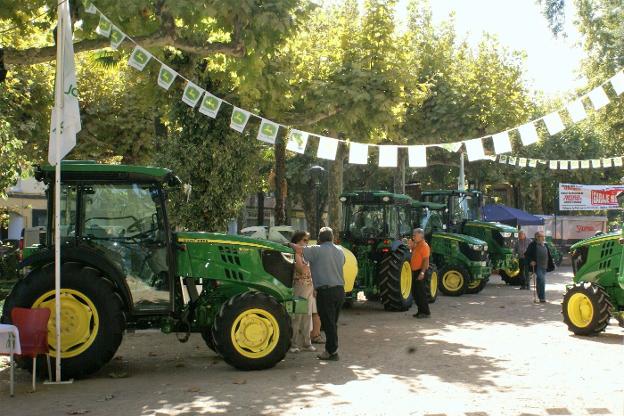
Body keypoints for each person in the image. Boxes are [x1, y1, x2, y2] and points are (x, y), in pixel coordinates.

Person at [290, 226, 345, 361]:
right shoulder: (340, 250)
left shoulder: (316, 250)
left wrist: (287, 243)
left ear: (319, 239)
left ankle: (331, 352)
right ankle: (332, 349)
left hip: (326, 292)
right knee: (333, 322)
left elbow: (298, 249)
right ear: (331, 238)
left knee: (328, 323)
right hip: (340, 290)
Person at [289, 231, 317, 353]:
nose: (307, 243)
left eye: (307, 240)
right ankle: (294, 344)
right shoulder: (296, 254)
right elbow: (300, 269)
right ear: (298, 241)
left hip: (309, 288)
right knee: (297, 317)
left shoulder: (305, 255)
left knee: (308, 316)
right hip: (300, 288)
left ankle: (307, 342)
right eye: (304, 240)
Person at [525, 231, 555, 303]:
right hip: (537, 266)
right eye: (541, 236)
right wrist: (531, 261)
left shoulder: (545, 245)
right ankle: (542, 297)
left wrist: (551, 263)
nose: (542, 237)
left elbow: (548, 255)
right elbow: (526, 254)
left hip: (544, 266)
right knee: (542, 280)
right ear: (536, 237)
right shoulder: (532, 245)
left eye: (543, 236)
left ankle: (540, 296)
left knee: (540, 281)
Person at [408, 228, 431, 318]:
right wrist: (411, 246)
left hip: (420, 271)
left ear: (421, 236)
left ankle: (425, 312)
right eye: (413, 235)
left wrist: (422, 272)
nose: (413, 237)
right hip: (415, 271)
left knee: (421, 293)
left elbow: (426, 260)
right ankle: (420, 311)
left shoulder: (424, 246)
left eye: (415, 235)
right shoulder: (417, 245)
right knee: (416, 293)